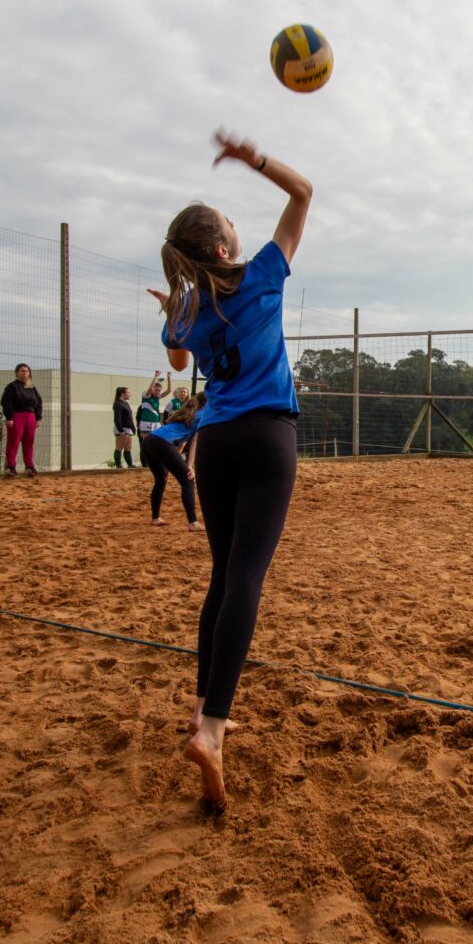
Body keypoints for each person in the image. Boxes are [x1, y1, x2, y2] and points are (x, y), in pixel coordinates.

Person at [148, 127, 311, 812]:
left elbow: (180, 359)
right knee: (245, 578)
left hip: (213, 443)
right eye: (231, 226)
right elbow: (304, 192)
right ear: (222, 248)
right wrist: (252, 159)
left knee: (222, 576)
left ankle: (202, 708)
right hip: (267, 436)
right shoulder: (264, 273)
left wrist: (175, 311)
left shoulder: (183, 311)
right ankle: (213, 730)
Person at [142, 392, 204, 530]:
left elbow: (181, 443)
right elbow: (195, 442)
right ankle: (193, 523)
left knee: (161, 479)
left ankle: (156, 518)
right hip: (161, 443)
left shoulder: (190, 413)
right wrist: (189, 466)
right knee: (188, 481)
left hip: (149, 441)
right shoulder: (204, 416)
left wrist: (173, 464)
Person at [0, 363, 43, 476]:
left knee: (29, 442)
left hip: (30, 416)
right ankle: (11, 467)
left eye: (27, 371)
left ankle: (29, 467)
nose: (25, 373)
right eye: (22, 371)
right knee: (13, 442)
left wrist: (38, 418)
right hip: (17, 416)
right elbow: (6, 402)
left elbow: (38, 402)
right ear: (17, 373)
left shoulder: (30, 386)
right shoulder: (12, 387)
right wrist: (9, 417)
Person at [113, 386, 137, 468]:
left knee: (128, 448)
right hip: (122, 429)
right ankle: (118, 465)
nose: (129, 395)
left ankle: (130, 464)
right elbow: (117, 418)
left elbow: (130, 416)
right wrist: (120, 429)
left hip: (128, 428)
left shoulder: (126, 404)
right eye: (128, 393)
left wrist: (133, 428)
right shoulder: (118, 404)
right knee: (119, 447)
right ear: (122, 394)